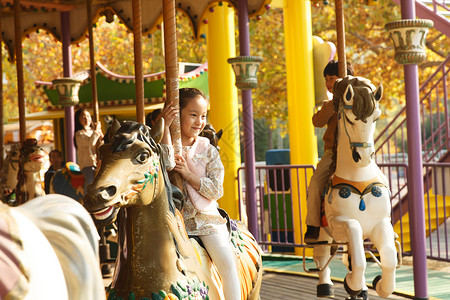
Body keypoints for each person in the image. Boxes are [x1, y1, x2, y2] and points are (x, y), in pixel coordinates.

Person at [161, 88, 240, 299]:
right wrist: (165, 127)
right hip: (173, 221)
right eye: (193, 115)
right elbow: (167, 163)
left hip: (205, 221)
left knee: (227, 262)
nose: (199, 121)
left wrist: (188, 174)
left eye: (203, 115)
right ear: (178, 115)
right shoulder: (168, 146)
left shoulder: (208, 150)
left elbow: (216, 189)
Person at [304, 60, 354, 244]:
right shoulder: (330, 104)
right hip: (333, 153)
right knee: (316, 183)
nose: (328, 83)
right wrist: (332, 105)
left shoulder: (356, 101)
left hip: (354, 151)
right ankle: (313, 225)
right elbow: (317, 121)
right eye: (326, 79)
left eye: (332, 78)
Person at [74, 108, 103, 193]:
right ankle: (87, 199)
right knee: (90, 183)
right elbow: (91, 143)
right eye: (83, 117)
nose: (86, 118)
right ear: (78, 120)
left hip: (98, 162)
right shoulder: (79, 134)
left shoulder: (93, 131)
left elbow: (102, 143)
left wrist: (100, 133)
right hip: (88, 164)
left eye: (88, 116)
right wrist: (97, 131)